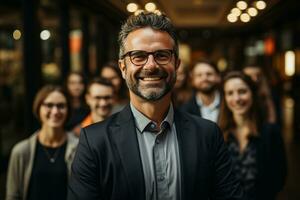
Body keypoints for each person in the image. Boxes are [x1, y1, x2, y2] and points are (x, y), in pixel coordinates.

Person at [68, 12, 243, 200]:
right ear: (122, 67)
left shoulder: (208, 135)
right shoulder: (95, 141)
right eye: (138, 56)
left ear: (176, 64)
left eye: (162, 55)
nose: (151, 65)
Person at [218, 71, 287, 200]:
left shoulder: (270, 132)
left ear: (252, 94)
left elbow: (279, 176)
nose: (237, 98)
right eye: (230, 93)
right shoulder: (217, 134)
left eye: (242, 91)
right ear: (225, 98)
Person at [6, 85, 78, 200]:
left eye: (61, 106)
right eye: (49, 105)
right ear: (38, 108)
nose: (55, 111)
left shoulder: (79, 148)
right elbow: (13, 196)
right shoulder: (21, 151)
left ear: (68, 110)